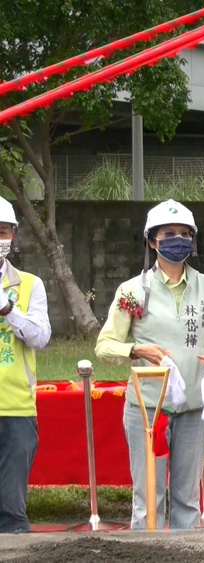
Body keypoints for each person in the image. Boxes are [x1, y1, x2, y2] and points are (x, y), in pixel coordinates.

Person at [95, 199, 204, 530]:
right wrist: (136, 350)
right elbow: (105, 346)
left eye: (184, 234)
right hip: (148, 410)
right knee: (148, 500)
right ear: (152, 241)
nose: (178, 241)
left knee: (186, 501)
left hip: (193, 408)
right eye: (168, 234)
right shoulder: (133, 291)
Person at [0, 198, 51, 534]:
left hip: (15, 409)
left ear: (14, 235)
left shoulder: (30, 285)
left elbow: (41, 336)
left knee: (11, 513)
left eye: (1, 230)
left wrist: (9, 310)